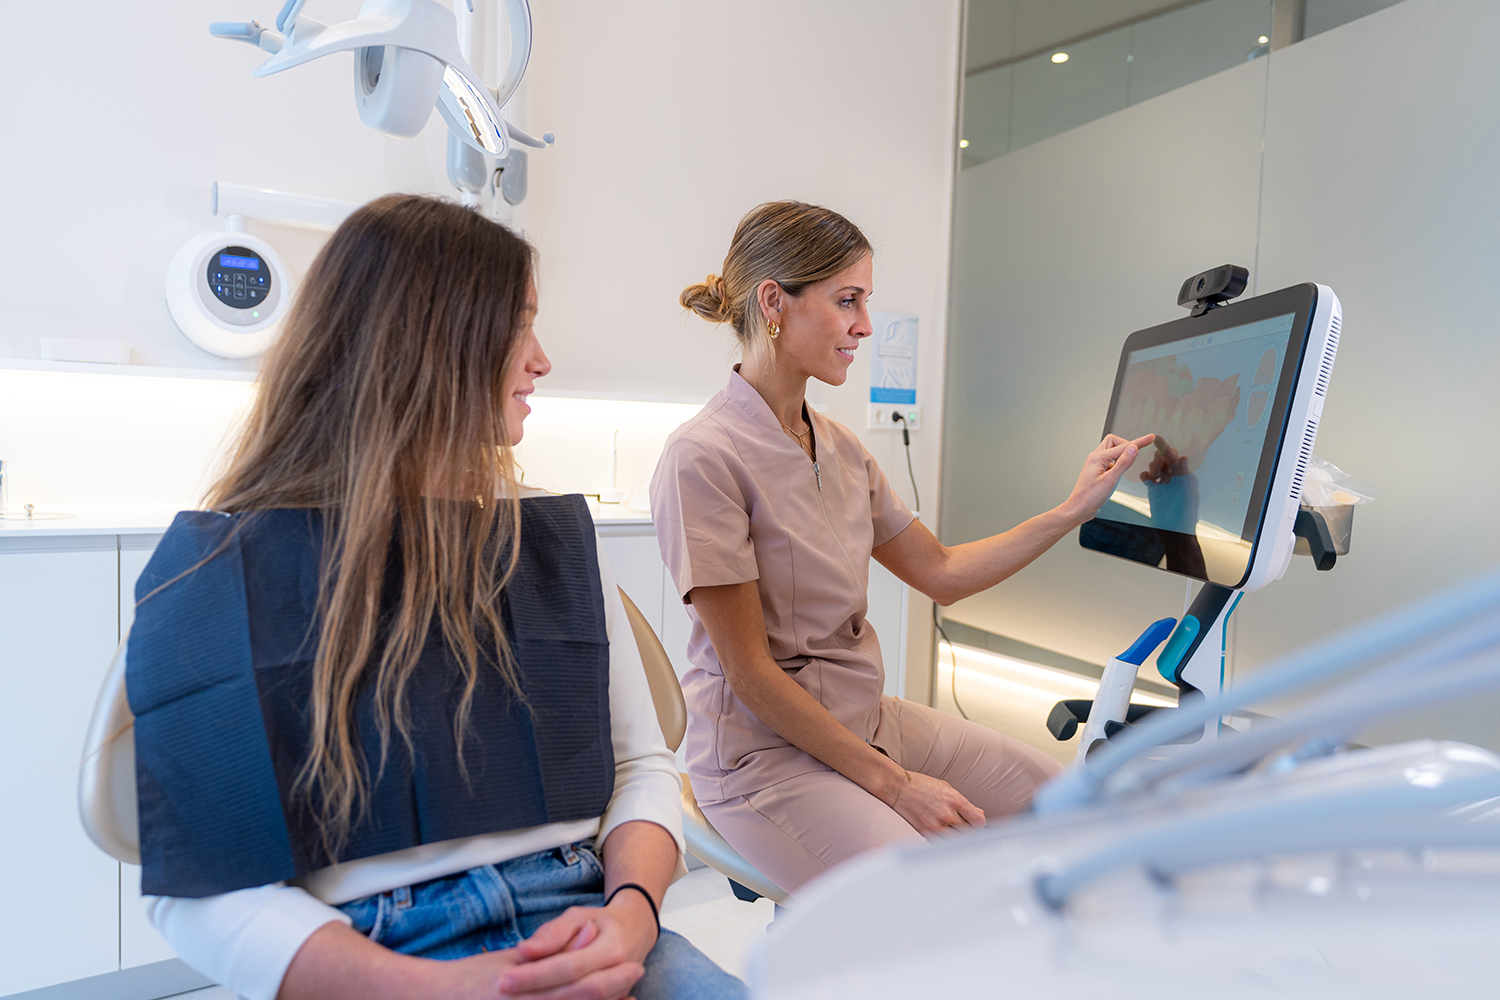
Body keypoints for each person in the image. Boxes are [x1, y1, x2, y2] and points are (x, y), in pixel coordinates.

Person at [127, 195, 745, 1000]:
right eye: (520, 325)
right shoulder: (225, 571)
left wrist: (633, 913)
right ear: (432, 340)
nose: (542, 360)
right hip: (373, 945)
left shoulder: (550, 545)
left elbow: (641, 766)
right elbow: (202, 886)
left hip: (584, 910)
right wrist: (424, 986)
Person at [650, 201, 1153, 893]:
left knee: (1070, 806)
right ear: (773, 302)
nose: (865, 324)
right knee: (929, 891)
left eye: (865, 301)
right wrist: (897, 786)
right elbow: (750, 674)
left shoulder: (841, 448)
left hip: (866, 721)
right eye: (847, 300)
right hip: (762, 757)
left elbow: (941, 572)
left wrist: (1071, 510)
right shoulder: (703, 457)